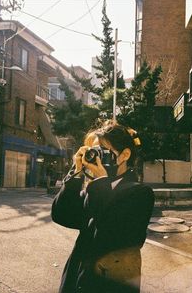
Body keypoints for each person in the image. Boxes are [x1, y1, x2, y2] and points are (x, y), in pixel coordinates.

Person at [51, 121, 155, 293]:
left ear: (124, 155)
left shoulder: (140, 193)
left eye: (101, 152)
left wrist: (100, 182)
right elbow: (62, 215)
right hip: (76, 281)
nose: (95, 158)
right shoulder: (93, 189)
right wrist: (76, 173)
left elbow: (113, 236)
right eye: (93, 152)